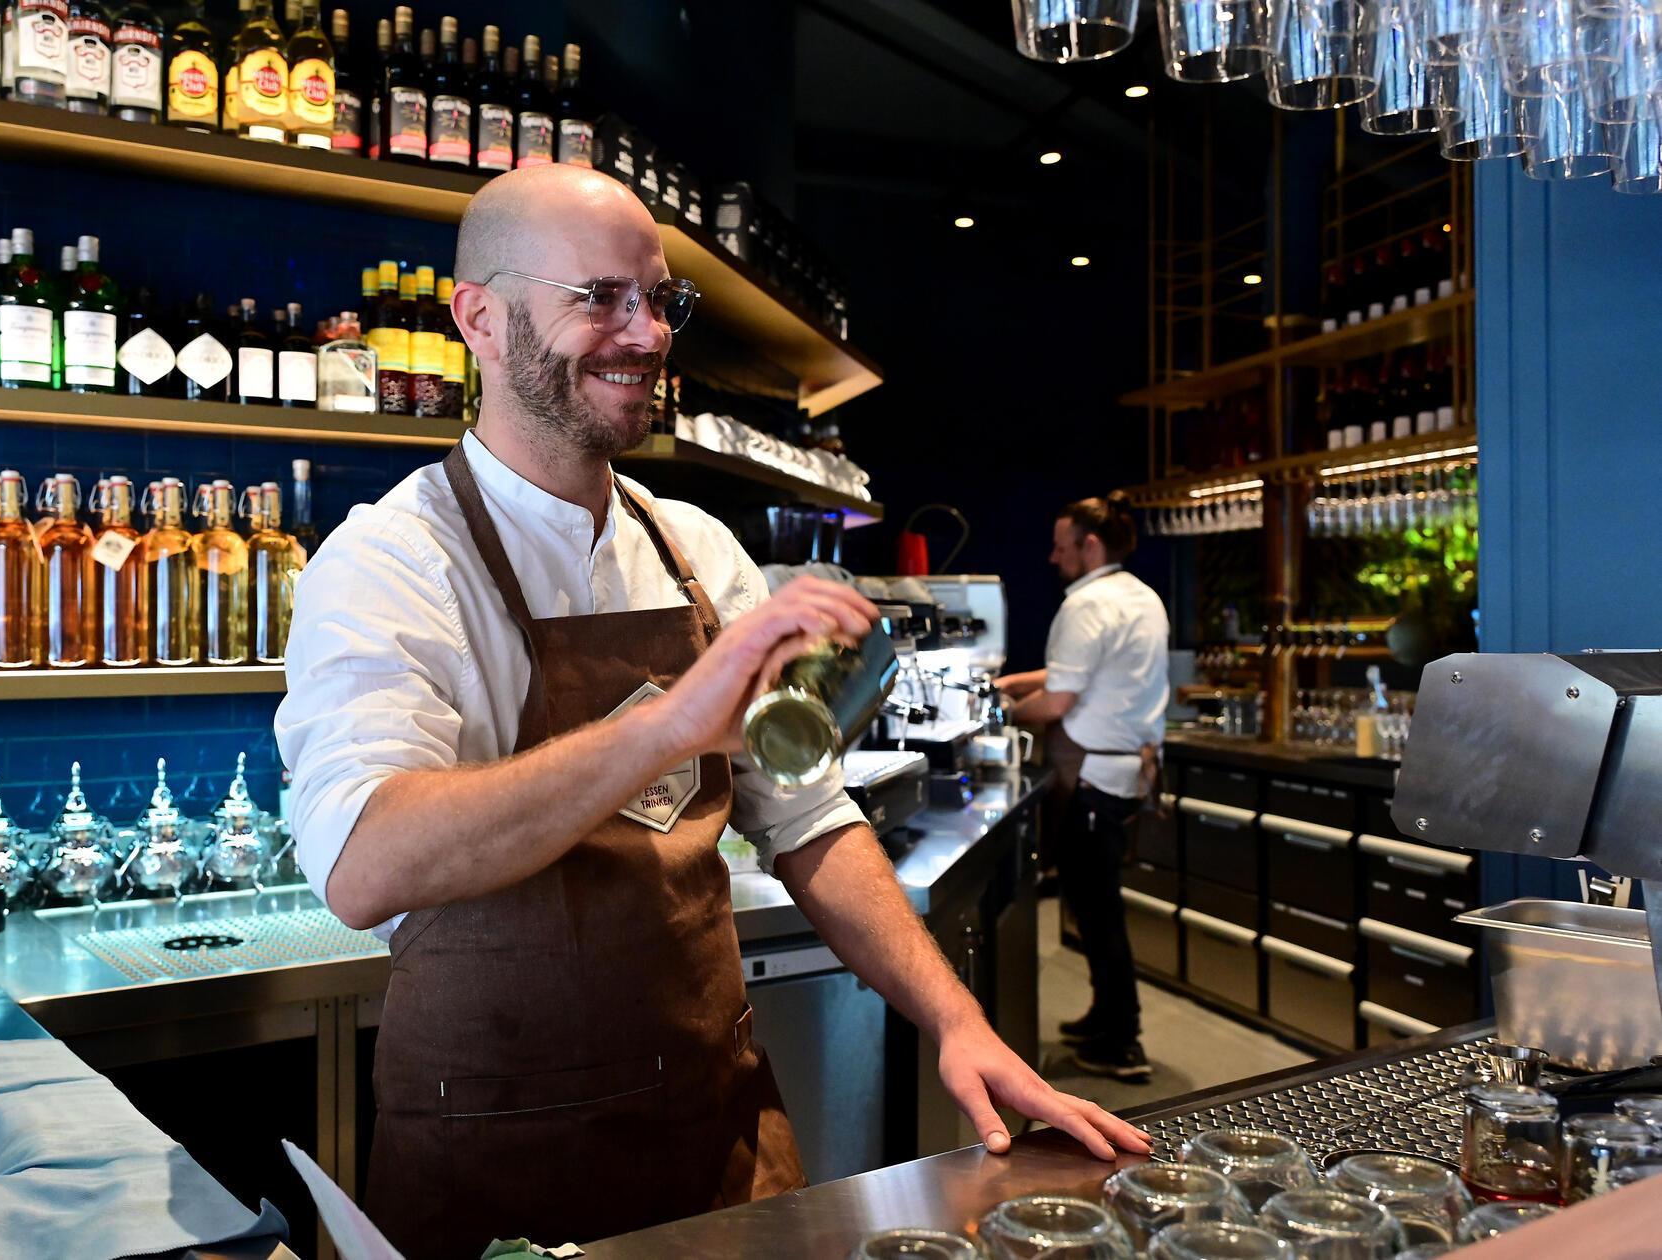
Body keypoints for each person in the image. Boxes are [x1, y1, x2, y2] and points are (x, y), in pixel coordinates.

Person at [276, 165, 1149, 1256]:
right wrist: (665, 724)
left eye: (659, 302)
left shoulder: (695, 550)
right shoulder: (390, 561)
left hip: (717, 1126)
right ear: (481, 321)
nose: (646, 335)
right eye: (600, 298)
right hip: (492, 1154)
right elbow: (365, 864)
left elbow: (810, 819)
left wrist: (954, 1016)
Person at [996, 493, 1170, 1083]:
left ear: (1090, 546)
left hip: (1091, 776)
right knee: (1099, 907)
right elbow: (1080, 672)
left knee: (1098, 913)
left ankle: (1122, 1044)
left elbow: (1060, 700)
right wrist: (1015, 680)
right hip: (1123, 772)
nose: (1052, 556)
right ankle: (1105, 1017)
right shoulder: (1139, 597)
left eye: (1062, 545)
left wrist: (998, 711)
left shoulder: (1086, 605)